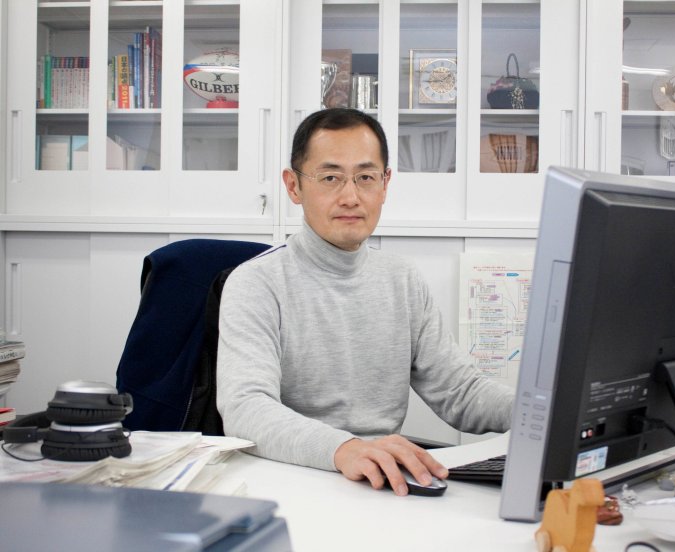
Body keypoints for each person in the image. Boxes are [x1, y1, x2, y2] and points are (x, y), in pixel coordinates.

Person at [217, 108, 514, 496]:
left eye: (366, 177)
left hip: (381, 482)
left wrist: (538, 412)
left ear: (385, 184)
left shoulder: (402, 280)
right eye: (330, 178)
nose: (350, 196)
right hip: (293, 478)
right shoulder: (256, 283)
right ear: (293, 186)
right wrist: (345, 448)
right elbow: (246, 408)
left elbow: (460, 391)